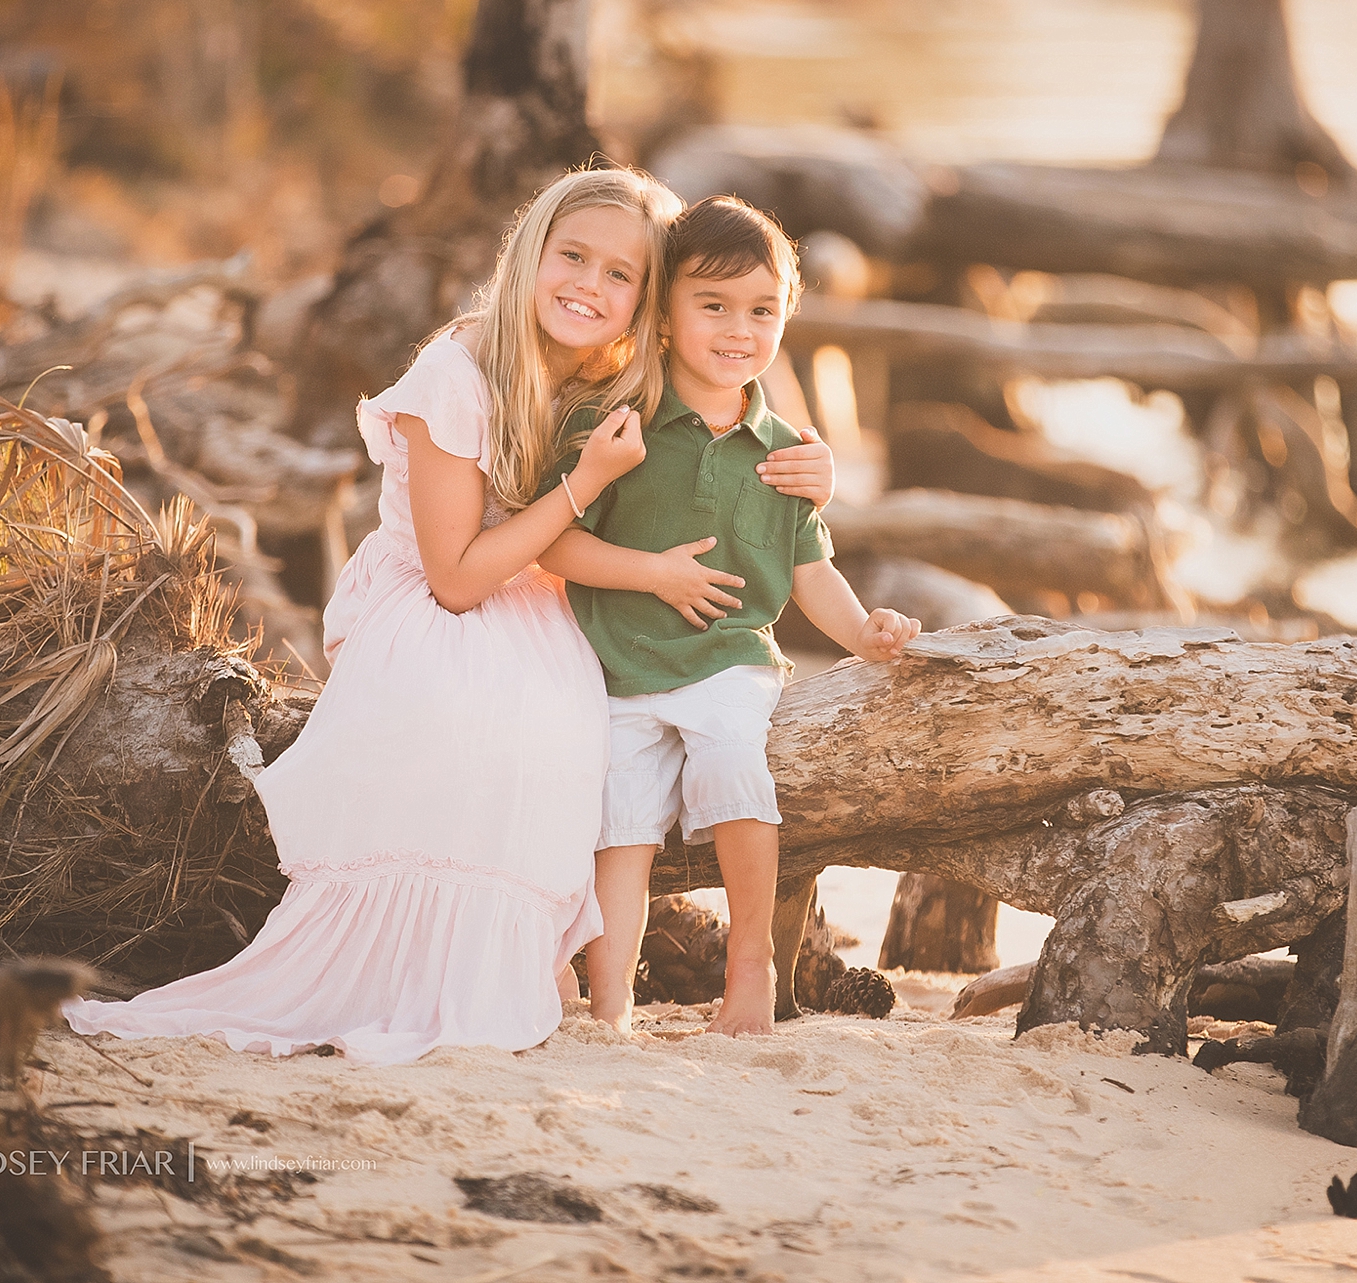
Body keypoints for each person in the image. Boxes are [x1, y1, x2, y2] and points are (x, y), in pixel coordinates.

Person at [60, 168, 833, 1064]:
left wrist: (815, 477)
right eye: (572, 256)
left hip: (537, 598)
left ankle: (538, 960)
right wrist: (584, 486)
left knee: (573, 732)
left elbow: (723, 453)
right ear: (530, 252)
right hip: (437, 604)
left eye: (621, 275)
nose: (590, 285)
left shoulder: (609, 371)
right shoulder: (456, 372)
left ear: (648, 304)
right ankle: (458, 967)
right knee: (481, 726)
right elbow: (455, 577)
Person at [542, 194, 921, 1037]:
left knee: (733, 771)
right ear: (666, 316)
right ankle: (610, 1004)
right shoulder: (615, 422)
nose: (738, 330)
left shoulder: (785, 450)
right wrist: (652, 580)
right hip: (620, 661)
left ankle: (750, 969)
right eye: (713, 306)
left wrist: (862, 633)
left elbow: (807, 568)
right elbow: (557, 545)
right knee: (620, 824)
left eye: (762, 311)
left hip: (729, 661)